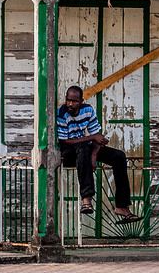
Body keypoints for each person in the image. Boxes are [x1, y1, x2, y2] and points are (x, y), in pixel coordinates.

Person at [57, 85, 140, 220]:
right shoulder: (61, 113)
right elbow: (65, 141)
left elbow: (97, 136)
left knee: (119, 156)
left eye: (74, 101)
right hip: (67, 152)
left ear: (81, 101)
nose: (70, 104)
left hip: (84, 149)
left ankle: (122, 206)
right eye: (68, 100)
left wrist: (94, 155)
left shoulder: (88, 110)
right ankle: (86, 199)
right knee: (83, 146)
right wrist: (92, 138)